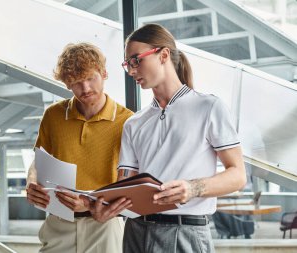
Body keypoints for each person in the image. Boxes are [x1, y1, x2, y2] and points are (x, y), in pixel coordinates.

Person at [82, 24, 247, 252]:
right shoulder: (134, 123)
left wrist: (193, 188)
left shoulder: (208, 107)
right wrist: (106, 209)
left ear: (164, 54)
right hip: (135, 233)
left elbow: (237, 175)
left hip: (185, 234)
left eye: (136, 60)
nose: (130, 71)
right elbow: (124, 185)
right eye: (127, 64)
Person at [26, 42, 133, 253]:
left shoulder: (127, 121)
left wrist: (88, 203)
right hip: (58, 223)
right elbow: (39, 160)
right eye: (76, 82)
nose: (85, 89)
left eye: (90, 78)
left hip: (104, 224)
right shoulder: (53, 115)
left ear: (104, 73)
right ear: (67, 84)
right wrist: (31, 181)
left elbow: (131, 181)